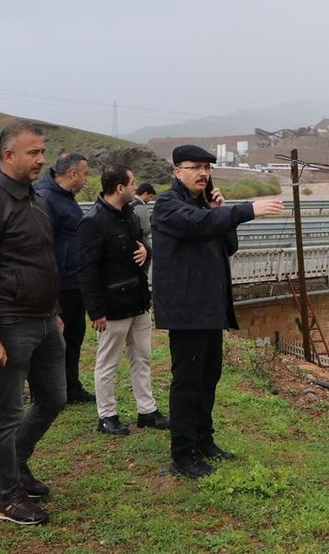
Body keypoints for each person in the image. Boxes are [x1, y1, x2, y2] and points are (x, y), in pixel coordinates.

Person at [152, 144, 284, 479]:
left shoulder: (203, 206)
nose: (202, 174)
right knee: (188, 382)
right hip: (188, 311)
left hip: (209, 309)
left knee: (209, 377)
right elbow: (195, 226)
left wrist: (222, 215)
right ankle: (183, 455)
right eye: (194, 167)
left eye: (207, 168)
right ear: (176, 171)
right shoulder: (169, 205)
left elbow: (229, 246)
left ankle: (203, 440)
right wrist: (244, 210)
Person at [0, 119, 65, 526]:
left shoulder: (35, 199)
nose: (42, 159)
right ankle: (8, 497)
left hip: (42, 320)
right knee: (5, 414)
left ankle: (14, 463)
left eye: (43, 151)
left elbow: (44, 260)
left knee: (53, 399)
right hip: (9, 323)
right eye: (33, 153)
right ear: (8, 156)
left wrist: (54, 310)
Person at [76, 165, 170, 436]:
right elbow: (86, 269)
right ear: (119, 188)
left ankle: (147, 411)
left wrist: (146, 252)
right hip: (112, 307)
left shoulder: (130, 215)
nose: (135, 186)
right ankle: (106, 416)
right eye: (132, 183)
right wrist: (96, 311)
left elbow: (141, 247)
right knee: (108, 362)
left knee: (142, 358)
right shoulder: (92, 222)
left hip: (138, 301)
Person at [35, 152, 94, 403]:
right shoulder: (46, 198)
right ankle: (46, 392)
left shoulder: (64, 197)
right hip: (58, 285)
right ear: (72, 174)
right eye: (85, 174)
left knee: (73, 336)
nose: (86, 180)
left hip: (73, 282)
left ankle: (70, 387)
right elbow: (41, 247)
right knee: (53, 342)